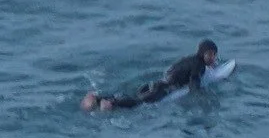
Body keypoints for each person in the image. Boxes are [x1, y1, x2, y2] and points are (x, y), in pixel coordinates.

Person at [81, 41, 220, 112]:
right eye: (213, 54)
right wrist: (202, 97)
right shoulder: (199, 65)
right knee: (138, 103)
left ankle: (99, 98)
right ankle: (111, 103)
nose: (214, 58)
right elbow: (194, 83)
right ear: (206, 54)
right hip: (163, 89)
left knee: (134, 96)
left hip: (157, 83)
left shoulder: (190, 59)